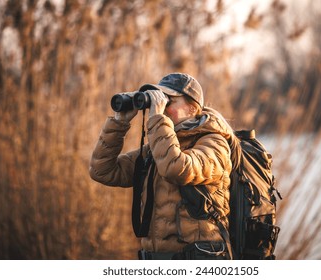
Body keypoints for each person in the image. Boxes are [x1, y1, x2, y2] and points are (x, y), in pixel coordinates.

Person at [89, 73, 240, 260]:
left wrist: (157, 120)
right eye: (157, 100)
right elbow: (102, 170)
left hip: (199, 259)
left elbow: (177, 168)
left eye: (168, 101)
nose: (160, 107)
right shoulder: (159, 147)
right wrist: (120, 121)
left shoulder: (215, 143)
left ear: (193, 108)